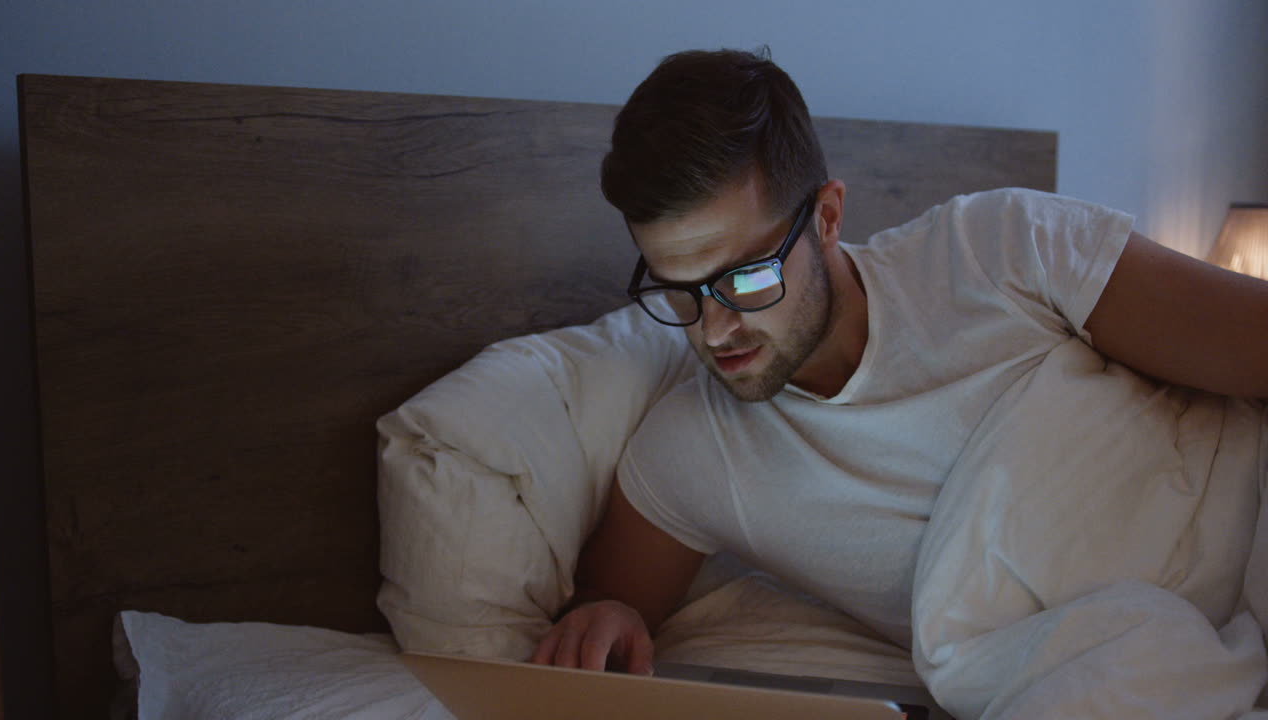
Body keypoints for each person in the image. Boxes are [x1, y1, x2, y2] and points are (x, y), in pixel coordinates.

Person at [527, 47, 1268, 676]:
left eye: (746, 276)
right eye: (677, 290)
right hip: (1125, 659)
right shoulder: (692, 450)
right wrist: (608, 618)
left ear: (827, 216)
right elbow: (604, 607)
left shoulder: (999, 249)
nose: (714, 328)